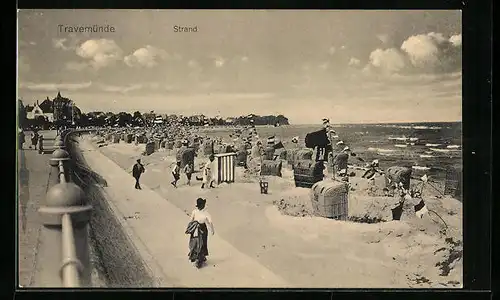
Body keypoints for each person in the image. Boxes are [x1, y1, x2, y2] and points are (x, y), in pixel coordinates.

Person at [186, 198, 215, 268]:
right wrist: (212, 230)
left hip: (199, 229)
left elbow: (209, 222)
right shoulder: (202, 212)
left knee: (199, 243)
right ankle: (199, 257)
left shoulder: (198, 212)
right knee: (198, 243)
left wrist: (212, 229)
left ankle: (199, 257)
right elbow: (209, 222)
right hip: (198, 228)